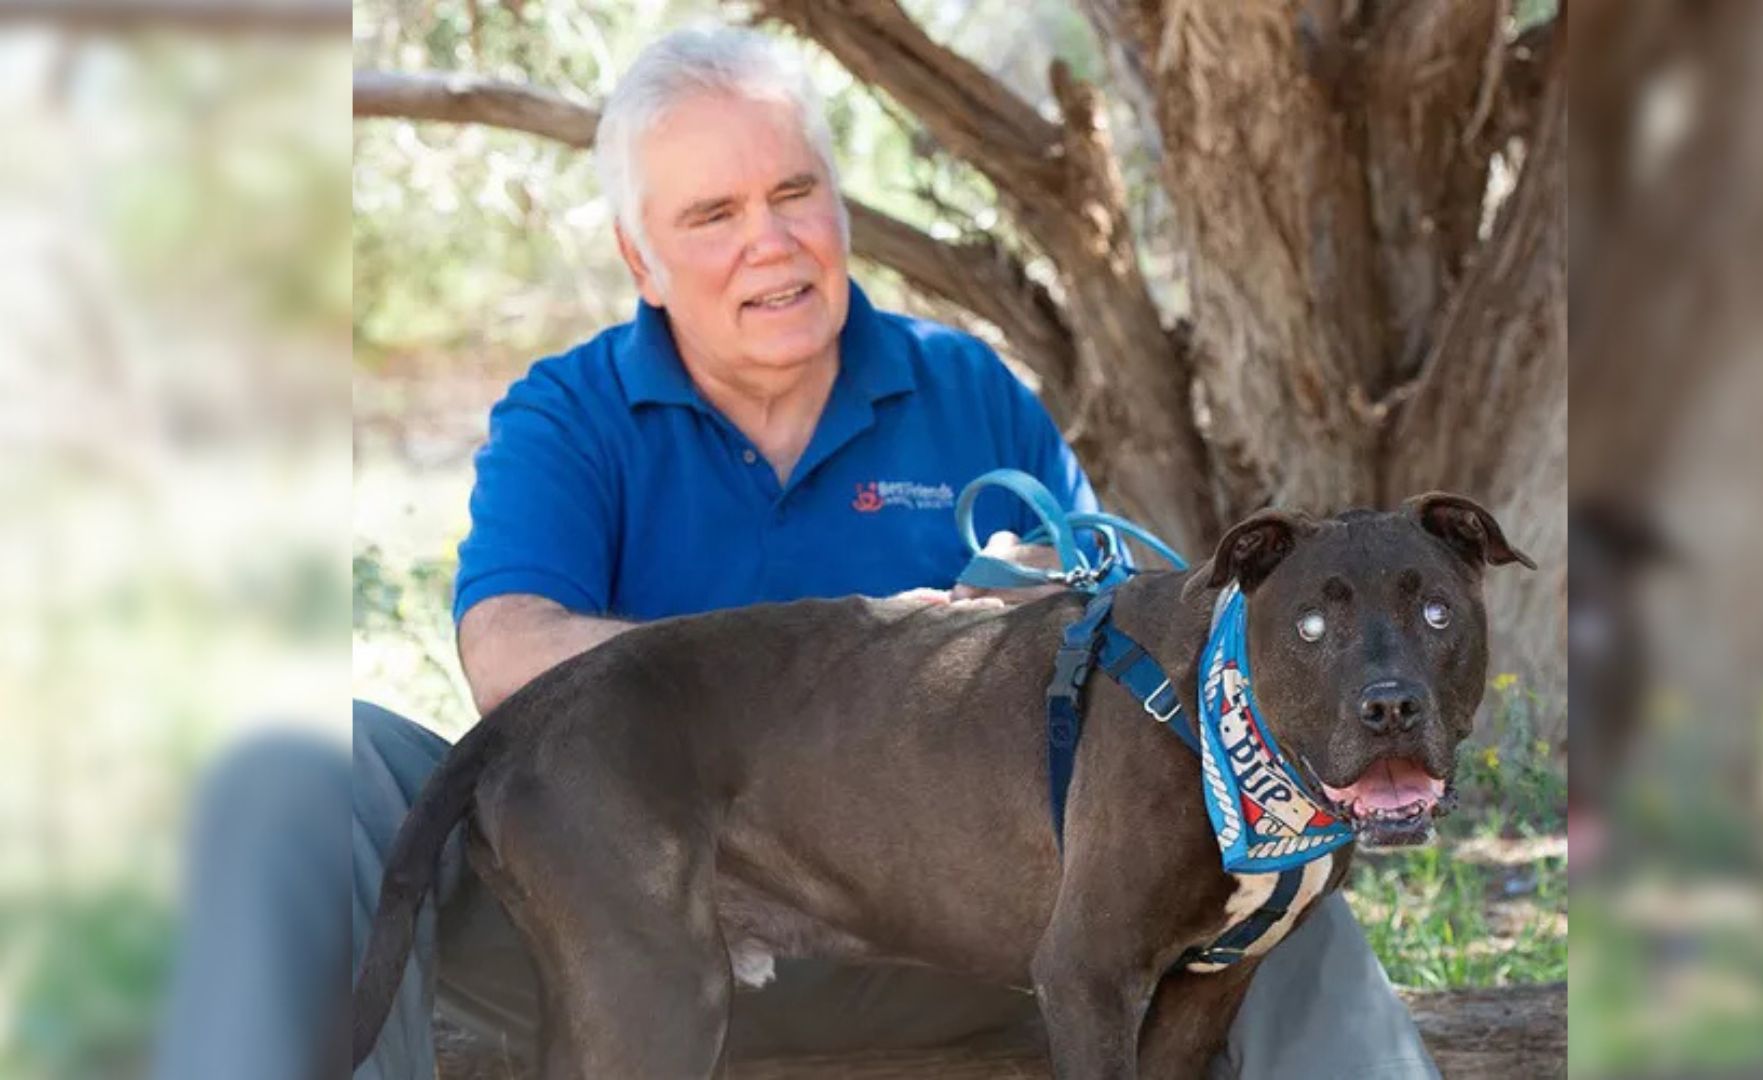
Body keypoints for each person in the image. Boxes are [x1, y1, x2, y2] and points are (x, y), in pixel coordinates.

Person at [155, 26, 1437, 1080]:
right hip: (627, 899)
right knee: (309, 759)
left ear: (839, 208)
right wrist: (845, 669)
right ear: (639, 258)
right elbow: (510, 660)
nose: (768, 242)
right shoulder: (575, 410)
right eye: (712, 213)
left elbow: (1107, 662)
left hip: (957, 928)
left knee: (1278, 847)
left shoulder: (963, 389)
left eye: (793, 194)